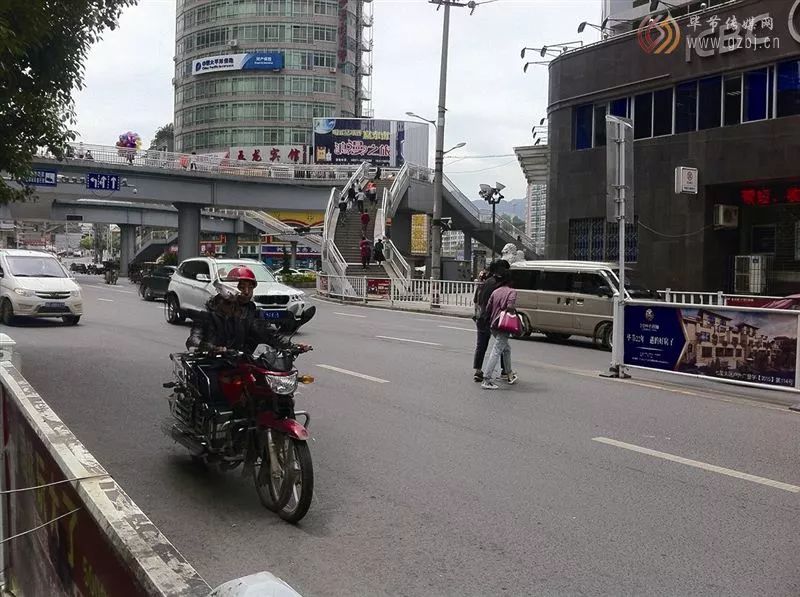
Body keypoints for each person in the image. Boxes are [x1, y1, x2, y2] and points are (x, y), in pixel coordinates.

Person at [186, 266, 308, 354]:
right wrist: (209, 348)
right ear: (230, 287)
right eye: (242, 287)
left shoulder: (250, 311)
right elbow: (193, 339)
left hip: (240, 361)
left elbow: (268, 334)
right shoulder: (209, 310)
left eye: (250, 287)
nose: (247, 292)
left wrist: (293, 346)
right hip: (211, 363)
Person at [473, 260, 510, 383]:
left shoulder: (484, 282)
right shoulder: (500, 285)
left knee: (481, 345)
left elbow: (476, 300)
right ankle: (504, 371)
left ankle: (478, 371)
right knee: (501, 346)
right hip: (493, 319)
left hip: (482, 317)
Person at [481, 269, 518, 390]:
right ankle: (487, 379)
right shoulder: (512, 292)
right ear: (511, 280)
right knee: (496, 351)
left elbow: (488, 308)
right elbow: (510, 307)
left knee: (506, 349)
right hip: (504, 325)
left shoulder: (495, 291)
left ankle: (509, 374)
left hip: (494, 325)